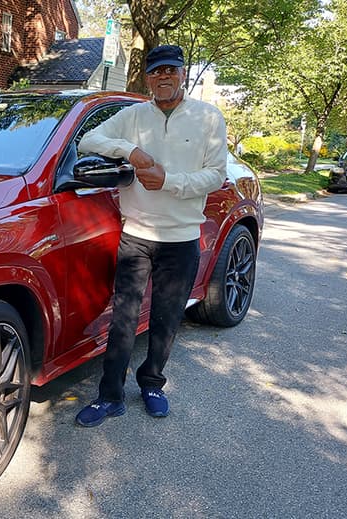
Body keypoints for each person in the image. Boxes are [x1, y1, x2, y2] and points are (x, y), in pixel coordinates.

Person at [75, 44, 227, 426]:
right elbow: (87, 141)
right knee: (123, 318)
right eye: (157, 71)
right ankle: (110, 396)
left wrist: (169, 181)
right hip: (137, 234)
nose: (164, 77)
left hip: (181, 238)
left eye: (171, 70)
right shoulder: (133, 116)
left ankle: (152, 384)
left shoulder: (208, 118)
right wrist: (132, 151)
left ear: (183, 74)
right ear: (147, 77)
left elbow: (215, 175)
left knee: (166, 317)